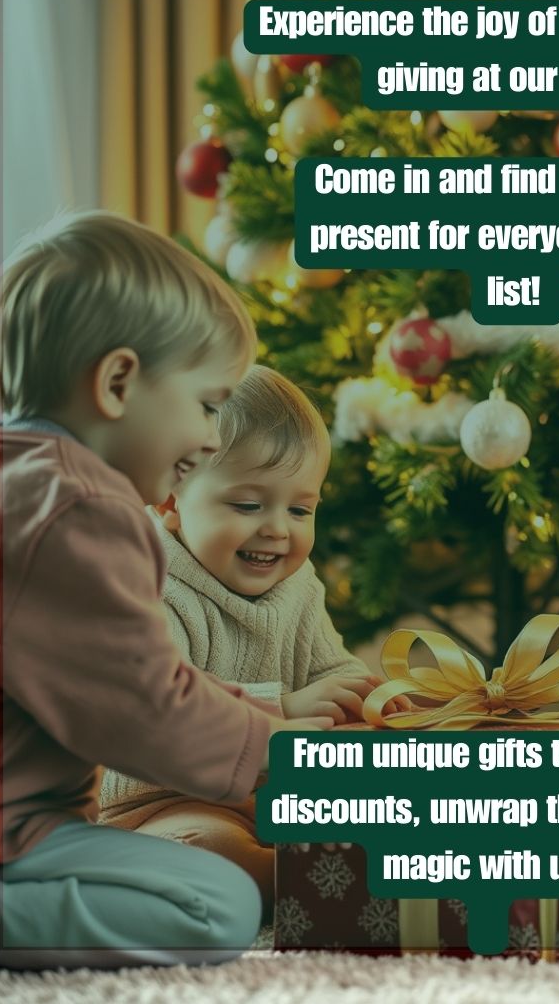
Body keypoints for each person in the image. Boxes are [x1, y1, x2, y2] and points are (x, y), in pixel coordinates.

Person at [0, 211, 334, 977]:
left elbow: (122, 676)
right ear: (119, 382)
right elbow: (144, 712)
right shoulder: (79, 511)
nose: (209, 437)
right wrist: (279, 755)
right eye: (207, 404)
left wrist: (260, 713)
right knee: (216, 906)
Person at [100, 365, 384, 921]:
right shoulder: (149, 587)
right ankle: (299, 877)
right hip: (155, 808)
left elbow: (333, 674)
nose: (278, 529)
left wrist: (375, 703)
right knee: (212, 851)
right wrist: (278, 710)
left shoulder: (297, 586)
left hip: (268, 798)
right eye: (248, 506)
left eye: (300, 509)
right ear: (170, 501)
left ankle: (333, 866)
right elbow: (145, 733)